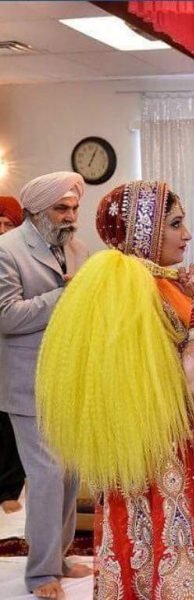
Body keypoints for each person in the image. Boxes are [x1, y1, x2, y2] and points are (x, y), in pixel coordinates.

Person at [36, 180, 194, 599]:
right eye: (176, 224)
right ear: (145, 234)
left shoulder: (172, 283)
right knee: (172, 560)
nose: (188, 234)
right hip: (161, 464)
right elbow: (188, 384)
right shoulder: (128, 296)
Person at [0, 173, 91, 599]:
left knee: (70, 475)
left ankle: (59, 557)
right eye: (61, 209)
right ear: (37, 210)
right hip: (27, 384)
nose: (71, 216)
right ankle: (40, 575)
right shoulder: (6, 250)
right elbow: (7, 317)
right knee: (49, 475)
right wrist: (63, 296)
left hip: (69, 380)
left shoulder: (77, 250)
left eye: (74, 208)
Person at [0, 196, 26, 514]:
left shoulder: (20, 258)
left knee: (8, 421)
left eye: (9, 225)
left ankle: (8, 489)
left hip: (13, 347)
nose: (3, 229)